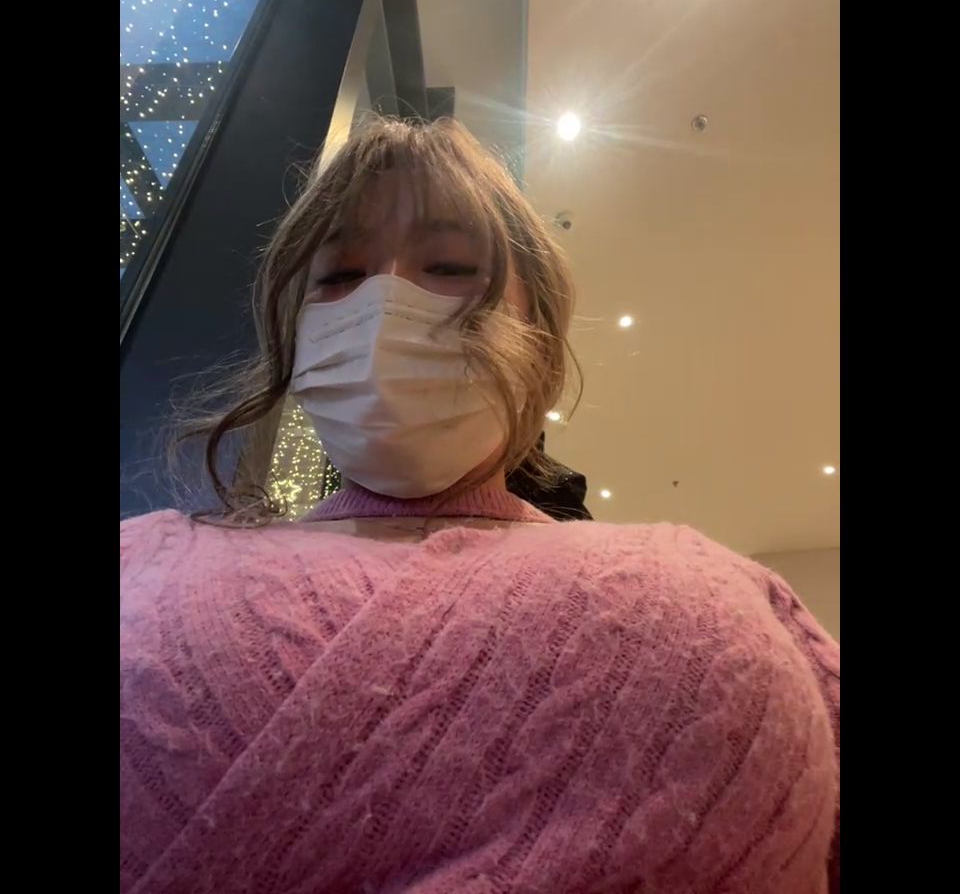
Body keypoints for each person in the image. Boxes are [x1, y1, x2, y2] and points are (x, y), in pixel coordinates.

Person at [120, 117, 839, 894]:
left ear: (537, 336)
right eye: (339, 275)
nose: (384, 306)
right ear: (295, 336)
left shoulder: (730, 590)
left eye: (449, 266)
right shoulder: (141, 559)